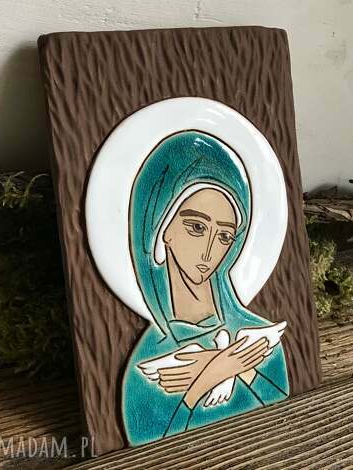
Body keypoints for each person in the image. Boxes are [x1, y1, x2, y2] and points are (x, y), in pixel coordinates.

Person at [122, 131, 289, 446]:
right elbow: (146, 440)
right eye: (197, 227)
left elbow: (287, 414)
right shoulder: (146, 356)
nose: (210, 251)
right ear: (163, 227)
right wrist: (212, 374)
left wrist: (238, 367)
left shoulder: (258, 336)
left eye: (224, 236)